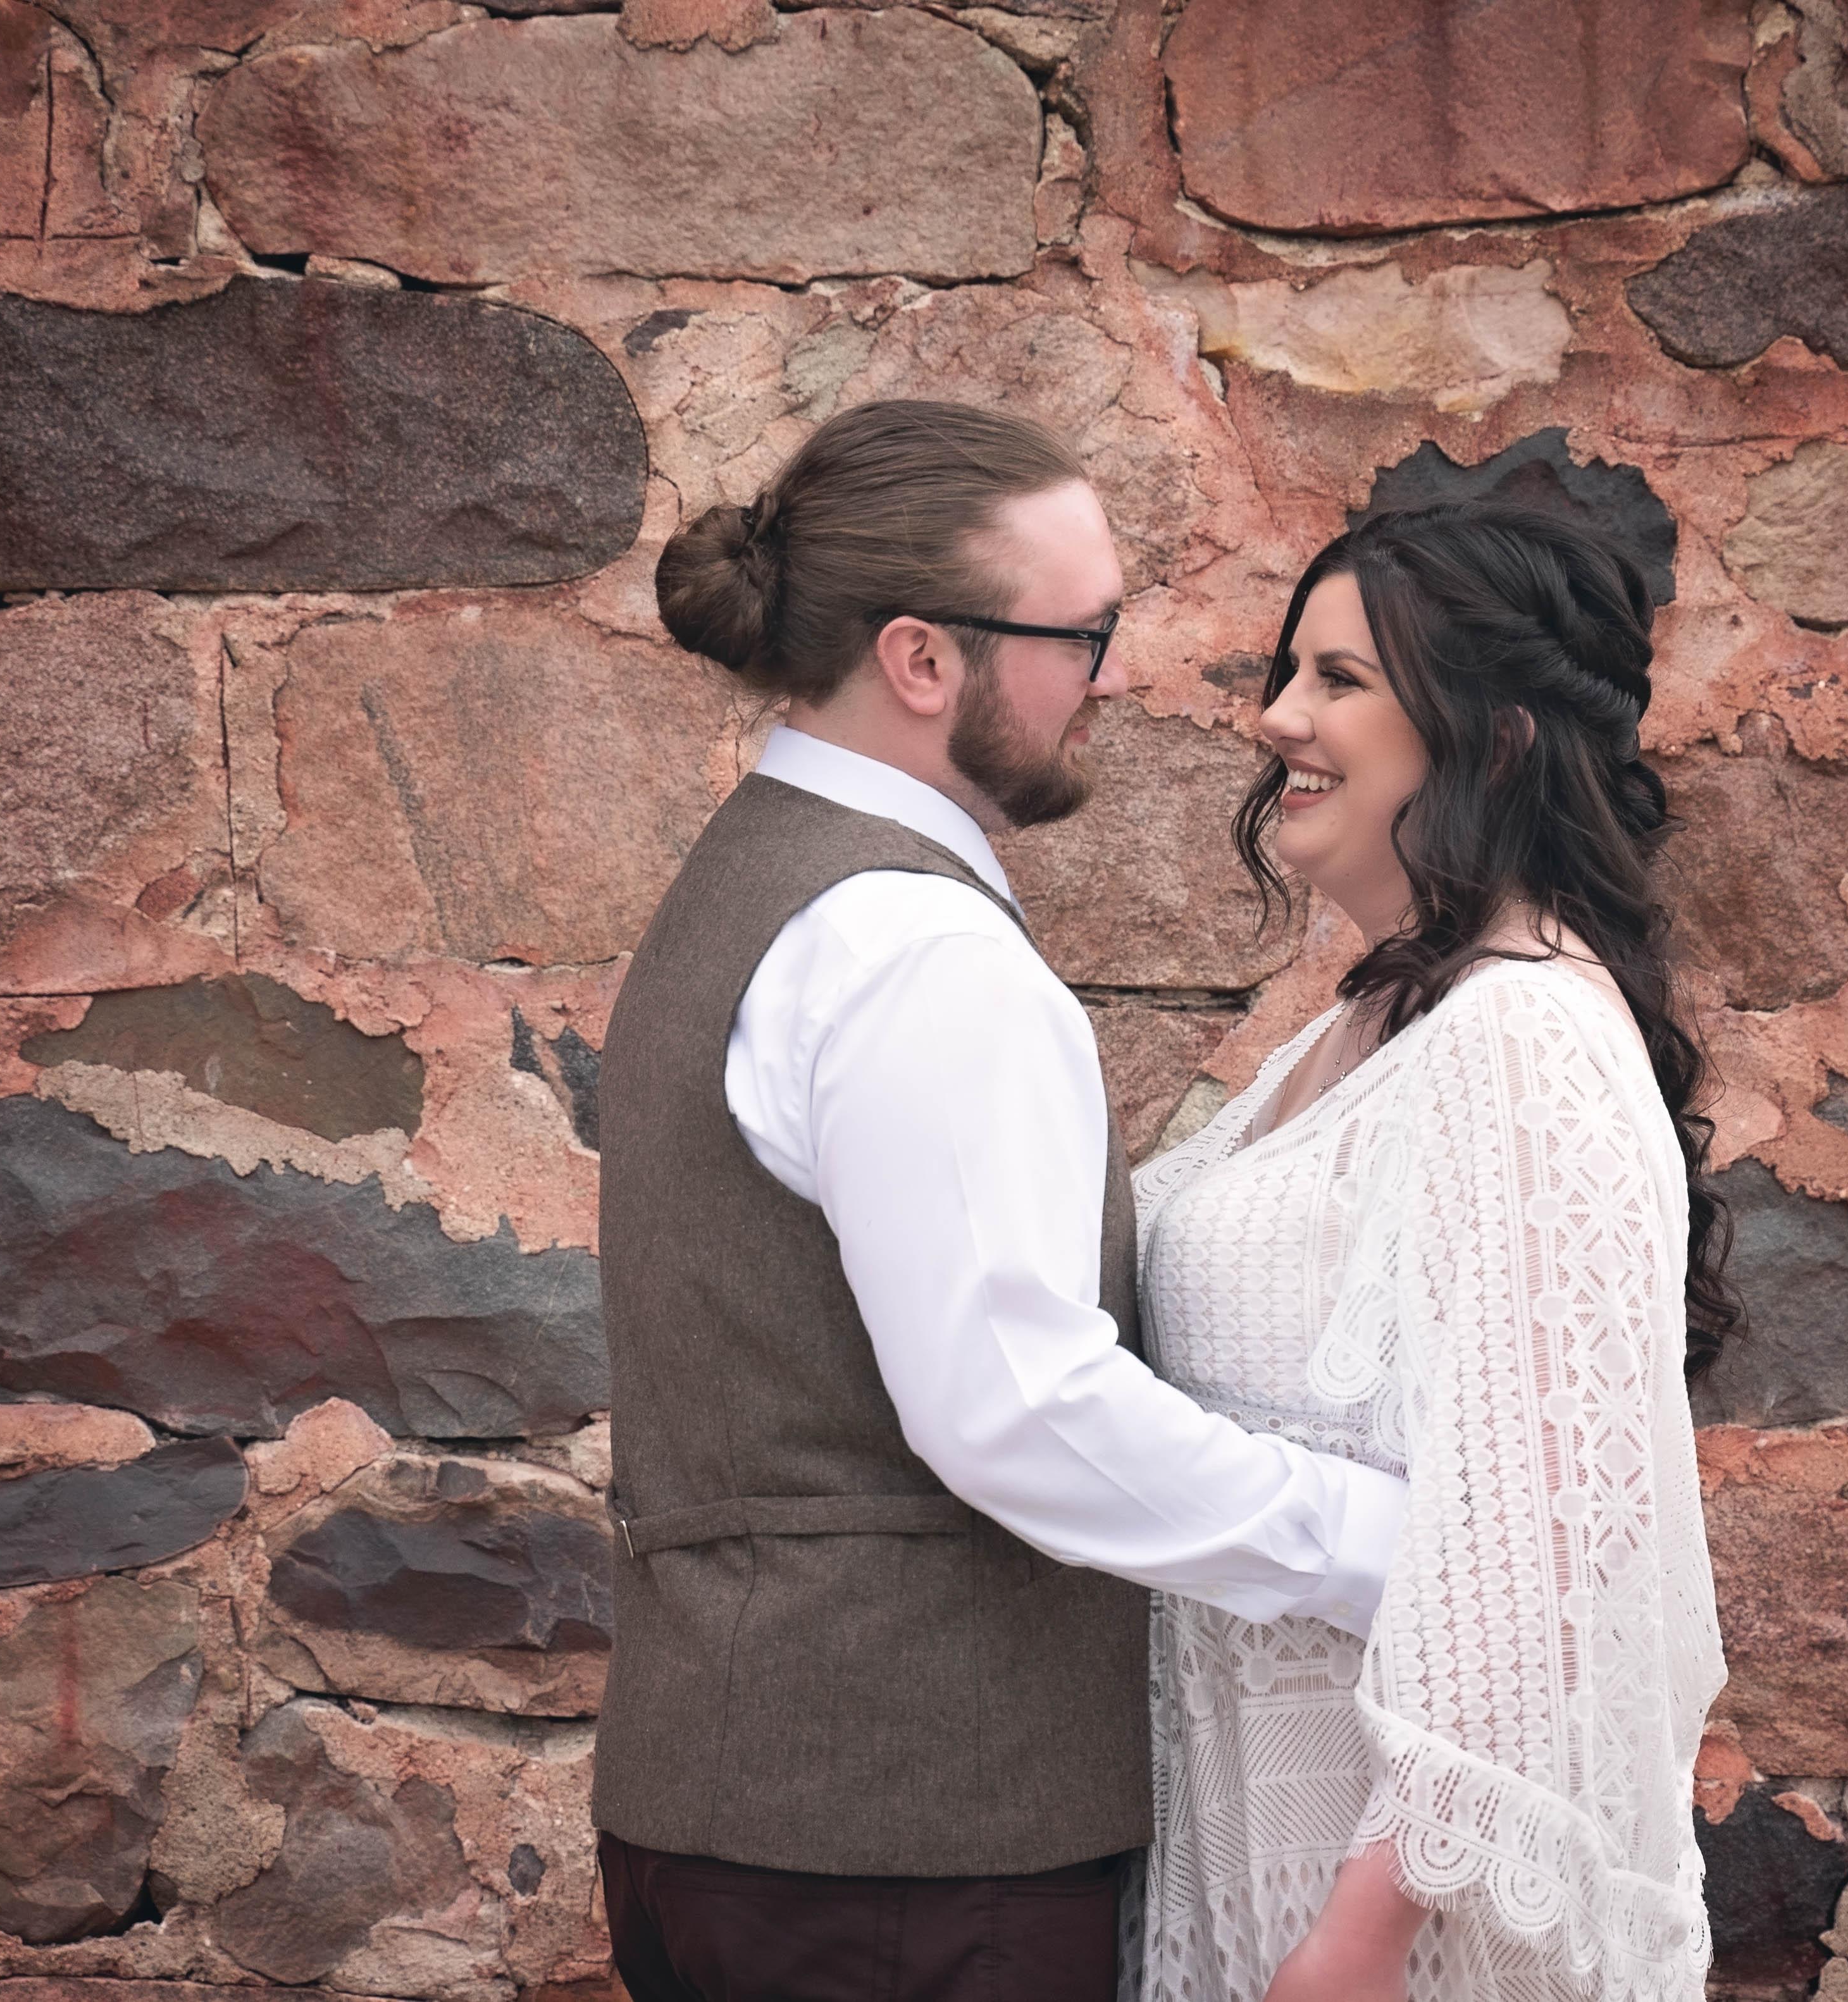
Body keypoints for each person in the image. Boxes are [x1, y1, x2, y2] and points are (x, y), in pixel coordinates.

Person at [589, 400, 1411, 2002]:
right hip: (906, 1859)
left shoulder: (761, 878)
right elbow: (1019, 1407)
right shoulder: (916, 948)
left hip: (738, 1818)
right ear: (919, 656)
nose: (1112, 676)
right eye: (1082, 634)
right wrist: (1387, 1546)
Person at [1134, 503, 1733, 2002]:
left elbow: (1547, 1540)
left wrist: (1360, 1936)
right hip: (1252, 1844)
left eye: (1339, 679)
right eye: (1290, 670)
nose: (1278, 716)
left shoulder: (1525, 1034)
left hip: (1393, 1932)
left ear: (1497, 740)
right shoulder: (1374, 1020)